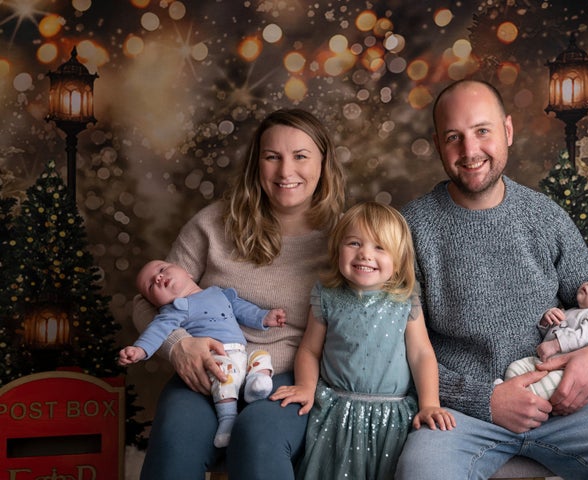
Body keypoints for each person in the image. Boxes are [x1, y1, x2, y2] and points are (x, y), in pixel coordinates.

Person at [395, 79, 588, 480]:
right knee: (420, 474)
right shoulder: (411, 228)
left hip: (562, 407)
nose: (470, 151)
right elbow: (399, 347)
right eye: (454, 137)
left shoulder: (544, 217)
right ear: (437, 144)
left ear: (508, 131)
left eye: (483, 131)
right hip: (462, 414)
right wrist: (486, 399)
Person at [132, 108, 345, 480]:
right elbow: (144, 303)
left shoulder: (346, 239)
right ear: (255, 164)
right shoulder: (213, 224)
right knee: (175, 438)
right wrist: (179, 345)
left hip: (289, 377)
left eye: (300, 156)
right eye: (272, 157)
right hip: (207, 369)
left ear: (323, 163)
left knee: (258, 438)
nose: (285, 172)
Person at [271, 202, 455, 480]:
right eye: (354, 243)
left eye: (380, 247)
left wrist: (429, 402)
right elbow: (309, 349)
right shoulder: (327, 294)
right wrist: (306, 387)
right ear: (338, 248)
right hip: (338, 413)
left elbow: (421, 355)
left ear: (399, 257)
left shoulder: (405, 298)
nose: (365, 254)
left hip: (393, 415)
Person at [120, 259, 287, 448]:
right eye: (151, 285)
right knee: (222, 375)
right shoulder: (174, 309)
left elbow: (242, 309)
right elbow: (157, 331)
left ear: (188, 273)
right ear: (155, 303)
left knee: (261, 356)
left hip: (242, 352)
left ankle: (256, 385)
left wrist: (264, 317)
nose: (158, 277)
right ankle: (227, 421)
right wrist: (140, 350)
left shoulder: (218, 292)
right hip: (216, 357)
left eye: (162, 269)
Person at [503, 271, 588, 400]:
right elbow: (552, 333)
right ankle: (506, 390)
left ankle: (519, 400)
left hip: (564, 371)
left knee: (543, 388)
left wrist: (556, 345)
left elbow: (583, 335)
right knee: (515, 368)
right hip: (541, 362)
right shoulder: (573, 311)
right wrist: (546, 321)